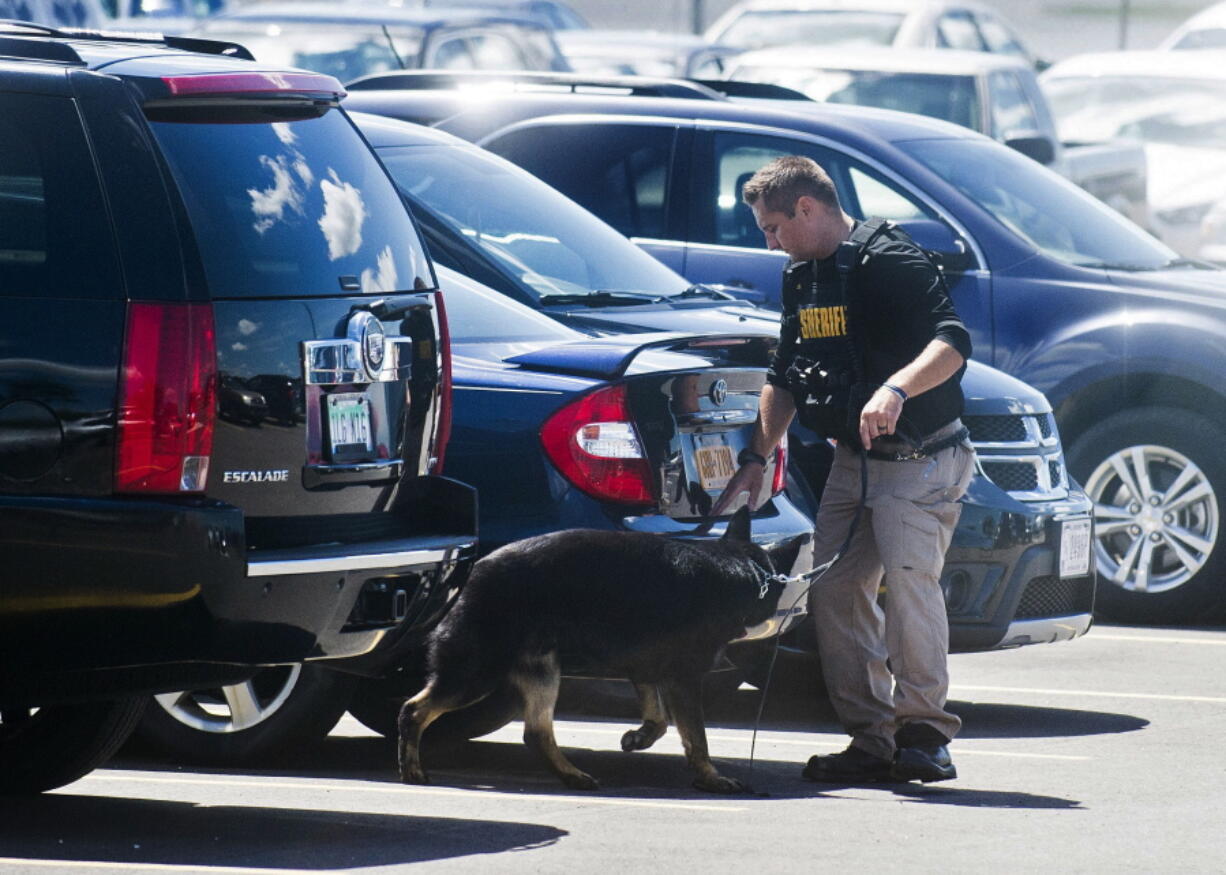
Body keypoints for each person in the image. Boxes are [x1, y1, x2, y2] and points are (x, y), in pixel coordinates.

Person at [712, 155, 975, 784]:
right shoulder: (801, 278)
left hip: (920, 458)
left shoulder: (890, 258)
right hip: (852, 463)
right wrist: (758, 454)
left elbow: (953, 342)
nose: (769, 243)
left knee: (910, 588)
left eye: (773, 228)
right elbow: (785, 375)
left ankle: (924, 736)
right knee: (833, 591)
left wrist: (895, 391)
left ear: (807, 208)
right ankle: (871, 741)